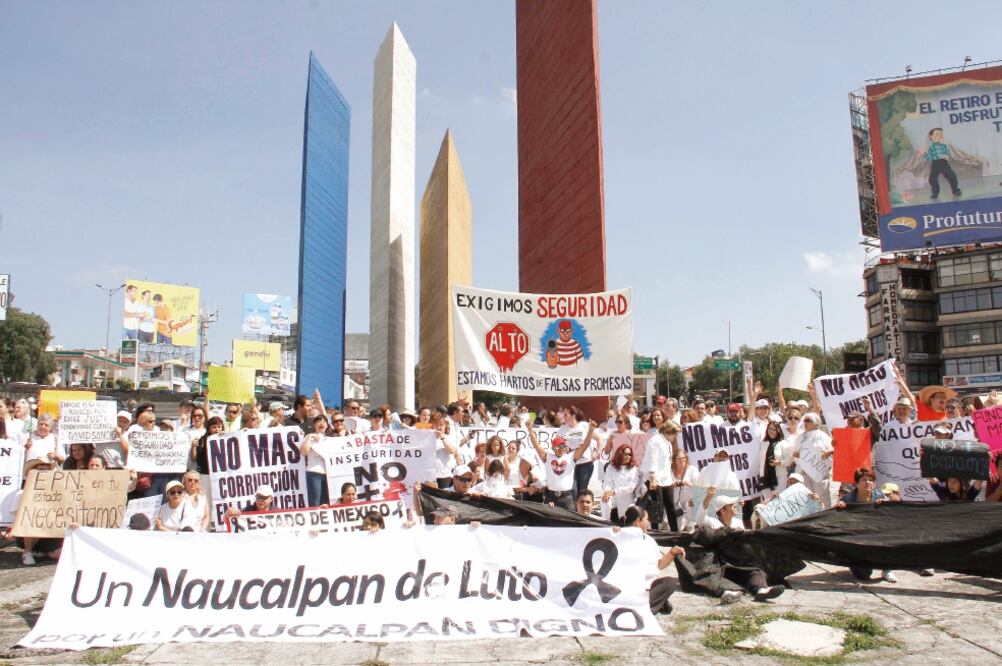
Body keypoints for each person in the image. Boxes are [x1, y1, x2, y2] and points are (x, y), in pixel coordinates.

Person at [699, 495, 785, 603]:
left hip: (739, 562)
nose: (735, 506)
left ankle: (761, 591)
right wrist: (708, 497)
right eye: (731, 505)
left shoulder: (738, 522)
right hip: (721, 564)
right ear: (723, 511)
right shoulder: (712, 522)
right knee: (719, 577)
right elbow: (700, 517)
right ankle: (728, 593)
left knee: (755, 571)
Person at [622, 505, 686, 614]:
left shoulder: (649, 541)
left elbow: (660, 564)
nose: (648, 523)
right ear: (638, 521)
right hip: (629, 587)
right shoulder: (621, 539)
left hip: (649, 587)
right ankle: (648, 608)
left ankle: (647, 606)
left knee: (669, 582)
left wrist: (672, 553)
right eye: (646, 520)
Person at [834, 467, 895, 582]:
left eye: (871, 480)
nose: (868, 482)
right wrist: (838, 507)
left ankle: (887, 569)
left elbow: (892, 514)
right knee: (864, 575)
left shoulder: (879, 495)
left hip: (877, 535)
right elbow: (835, 518)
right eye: (864, 480)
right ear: (856, 484)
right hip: (857, 539)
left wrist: (887, 505)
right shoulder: (848, 499)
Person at [527, 423, 592, 512]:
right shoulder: (548, 457)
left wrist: (591, 429)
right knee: (548, 522)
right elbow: (536, 445)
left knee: (570, 522)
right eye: (557, 447)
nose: (560, 449)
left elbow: (585, 446)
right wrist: (530, 430)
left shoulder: (571, 457)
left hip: (567, 497)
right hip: (551, 496)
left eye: (563, 446)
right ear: (553, 448)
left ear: (566, 447)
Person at [641, 421, 680, 531]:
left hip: (666, 479)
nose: (675, 436)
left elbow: (667, 463)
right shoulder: (655, 441)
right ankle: (655, 531)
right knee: (656, 508)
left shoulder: (667, 442)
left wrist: (671, 478)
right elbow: (651, 460)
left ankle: (674, 531)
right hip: (654, 479)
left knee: (670, 506)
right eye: (674, 433)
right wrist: (653, 479)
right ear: (669, 431)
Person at [791, 413, 835, 508]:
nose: (805, 422)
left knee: (822, 498)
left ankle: (825, 518)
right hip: (804, 474)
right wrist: (795, 454)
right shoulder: (800, 437)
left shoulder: (823, 436)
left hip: (819, 474)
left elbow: (833, 450)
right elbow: (794, 453)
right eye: (804, 420)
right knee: (807, 498)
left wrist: (827, 453)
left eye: (808, 420)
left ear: (816, 423)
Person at [602, 444, 642, 523]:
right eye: (625, 454)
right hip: (612, 496)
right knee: (605, 501)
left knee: (627, 519)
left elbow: (631, 487)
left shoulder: (634, 469)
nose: (628, 456)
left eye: (630, 455)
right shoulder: (611, 467)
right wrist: (606, 492)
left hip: (626, 497)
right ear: (620, 454)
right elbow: (607, 482)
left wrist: (615, 491)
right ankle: (605, 523)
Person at [300, 415, 331, 506]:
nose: (322, 423)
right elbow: (304, 452)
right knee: (315, 502)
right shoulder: (309, 437)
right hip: (314, 473)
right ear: (314, 424)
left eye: (324, 421)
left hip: (328, 474)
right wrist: (310, 437)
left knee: (326, 502)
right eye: (319, 421)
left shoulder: (329, 439)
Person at [668, 447, 698, 531]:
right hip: (676, 505)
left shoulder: (692, 470)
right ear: (674, 460)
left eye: (684, 458)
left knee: (691, 527)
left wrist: (688, 483)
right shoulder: (670, 472)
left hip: (690, 503)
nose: (682, 460)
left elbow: (699, 487)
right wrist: (672, 485)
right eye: (679, 459)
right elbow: (665, 487)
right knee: (675, 528)